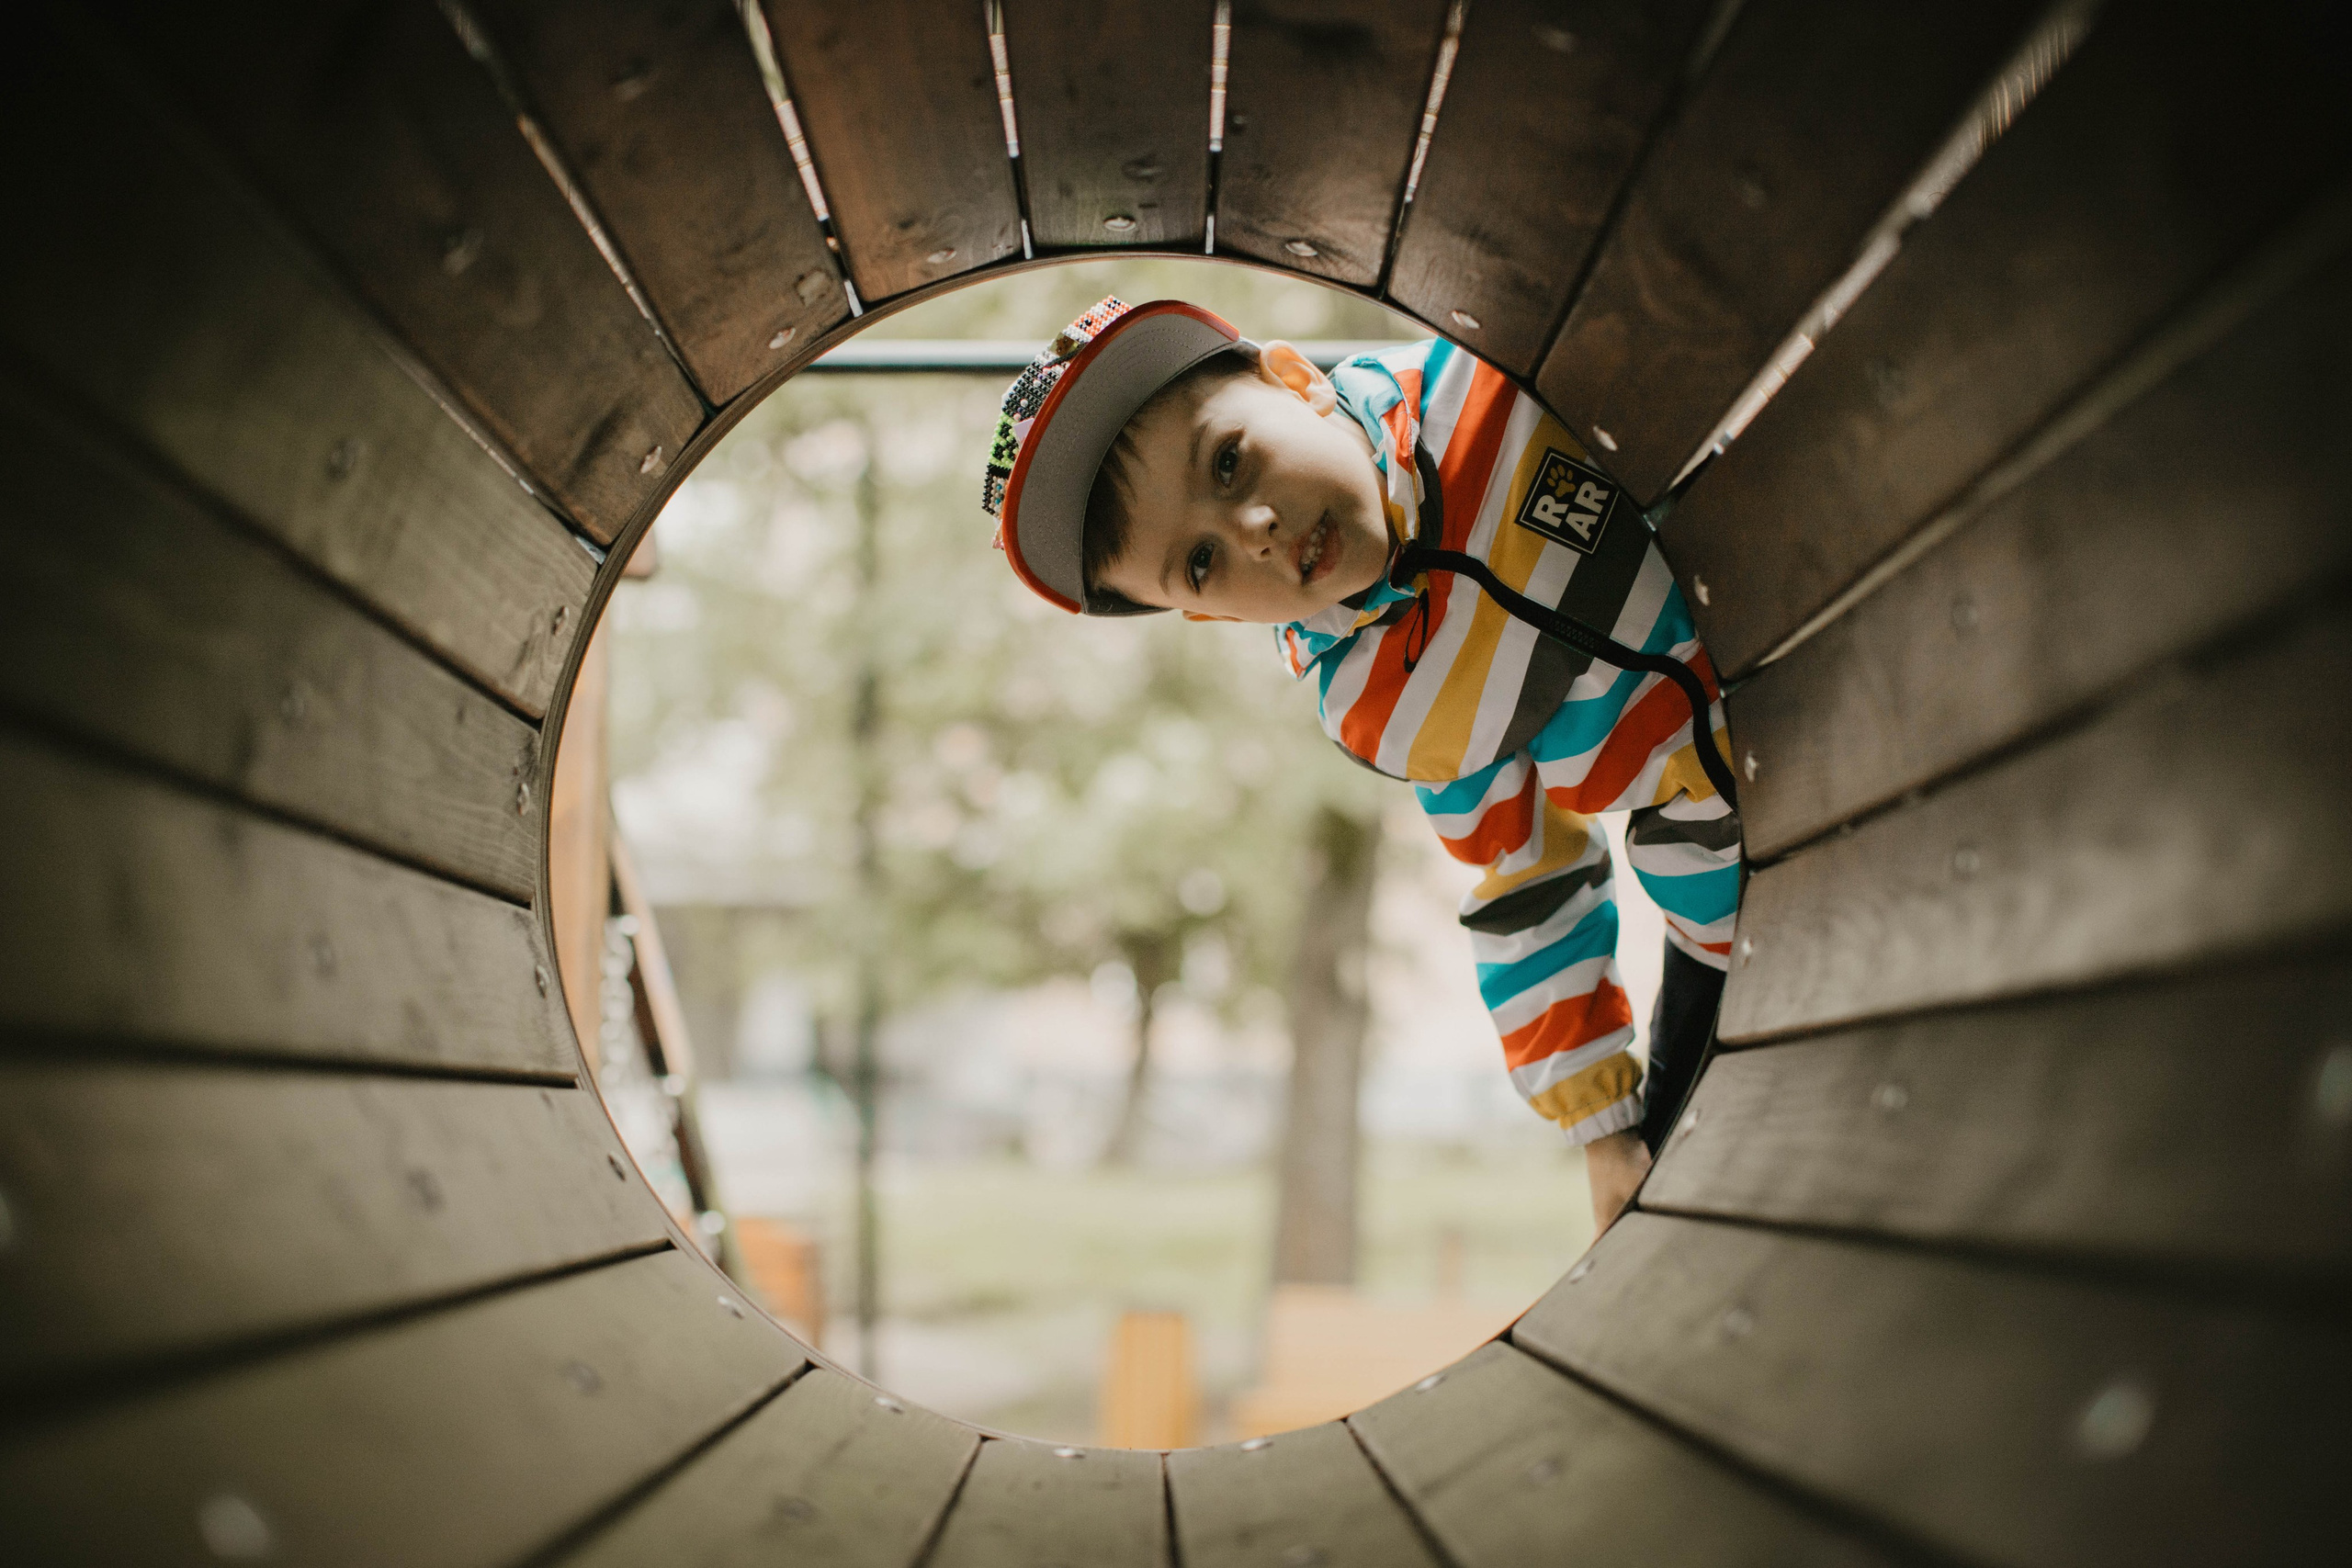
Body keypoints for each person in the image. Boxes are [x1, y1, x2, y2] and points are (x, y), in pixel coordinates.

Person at [981, 298, 1739, 1233]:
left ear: (1296, 382)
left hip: (1792, 607)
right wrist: (1600, 1124)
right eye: (1204, 562)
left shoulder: (1493, 388)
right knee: (1681, 1163)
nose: (1253, 526)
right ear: (1215, 616)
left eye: (1229, 462)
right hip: (1729, 878)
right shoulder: (1387, 703)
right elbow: (1523, 871)